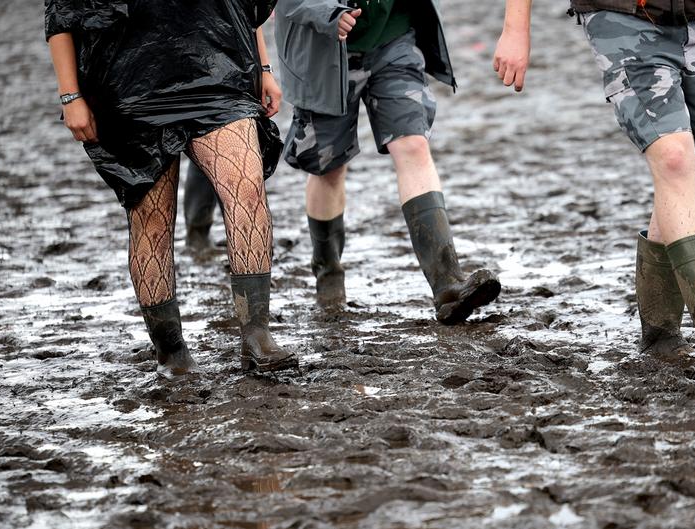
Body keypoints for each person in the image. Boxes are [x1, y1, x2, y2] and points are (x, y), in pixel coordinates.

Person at [494, 0, 695, 391]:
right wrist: (516, 27)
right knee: (673, 158)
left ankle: (660, 333)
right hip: (623, 13)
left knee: (694, 169)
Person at [45, 0, 298, 376]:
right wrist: (71, 95)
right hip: (130, 82)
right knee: (152, 219)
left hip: (220, 69)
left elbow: (246, 6)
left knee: (246, 189)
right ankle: (171, 352)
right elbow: (61, 12)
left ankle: (257, 337)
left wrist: (263, 68)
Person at [270, 0, 502, 324]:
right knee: (329, 171)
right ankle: (328, 274)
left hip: (393, 38)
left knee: (413, 145)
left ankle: (448, 285)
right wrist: (326, 12)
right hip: (322, 50)